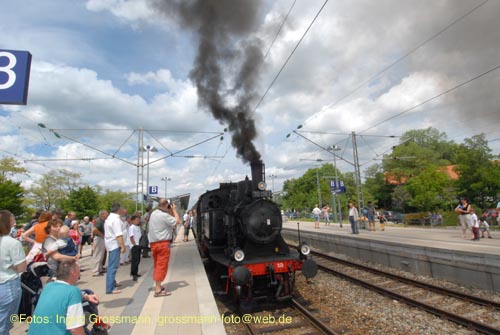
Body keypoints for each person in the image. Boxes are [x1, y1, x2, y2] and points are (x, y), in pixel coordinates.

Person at [27, 259, 86, 335]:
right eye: (79, 270)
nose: (79, 274)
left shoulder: (48, 286)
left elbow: (62, 295)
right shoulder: (73, 291)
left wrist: (86, 296)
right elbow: (75, 329)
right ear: (73, 273)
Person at [0, 210, 27, 335]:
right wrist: (11, 266)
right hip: (8, 284)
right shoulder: (12, 243)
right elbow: (21, 267)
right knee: (4, 324)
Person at [148, 198, 180, 297]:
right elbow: (177, 221)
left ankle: (159, 285)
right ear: (166, 205)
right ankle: (158, 290)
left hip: (154, 244)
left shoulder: (154, 213)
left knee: (157, 265)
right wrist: (174, 210)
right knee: (161, 266)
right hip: (162, 244)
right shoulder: (164, 215)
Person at [104, 203, 126, 294]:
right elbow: (118, 234)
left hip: (110, 244)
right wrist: (122, 246)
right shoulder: (115, 220)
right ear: (118, 209)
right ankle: (110, 288)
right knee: (113, 267)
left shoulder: (109, 218)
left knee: (111, 265)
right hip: (114, 245)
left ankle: (112, 282)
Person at [91, 210, 108, 277]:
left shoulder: (103, 221)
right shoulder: (99, 221)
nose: (107, 215)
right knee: (98, 254)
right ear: (102, 214)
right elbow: (95, 229)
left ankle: (100, 269)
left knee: (101, 255)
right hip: (99, 239)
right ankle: (95, 271)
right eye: (106, 214)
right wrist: (102, 235)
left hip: (101, 239)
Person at [128, 215, 142, 281]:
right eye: (136, 220)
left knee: (138, 259)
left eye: (138, 219)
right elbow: (131, 237)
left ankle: (136, 272)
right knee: (135, 260)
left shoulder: (138, 227)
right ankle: (133, 274)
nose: (138, 221)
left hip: (139, 245)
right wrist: (134, 244)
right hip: (134, 246)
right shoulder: (132, 227)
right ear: (133, 220)